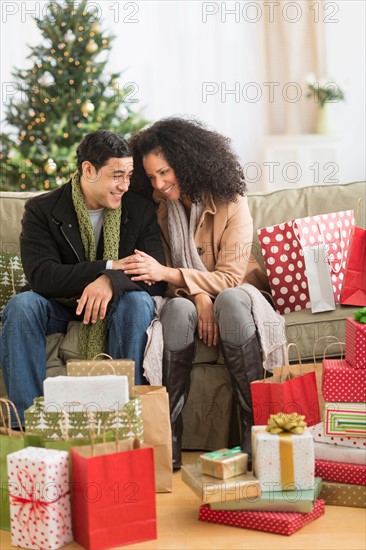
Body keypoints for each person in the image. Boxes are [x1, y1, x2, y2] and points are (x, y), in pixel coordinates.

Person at [127, 117, 281, 470]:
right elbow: (168, 286)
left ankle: (253, 430)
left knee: (226, 298)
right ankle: (171, 439)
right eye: (151, 177)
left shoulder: (231, 200)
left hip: (238, 295)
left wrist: (173, 275)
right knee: (178, 311)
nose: (160, 184)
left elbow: (228, 278)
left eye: (165, 173)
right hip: (186, 297)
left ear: (187, 163)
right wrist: (198, 297)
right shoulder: (159, 209)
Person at [0, 130, 167, 426]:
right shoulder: (41, 210)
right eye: (116, 176)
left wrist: (110, 280)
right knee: (22, 306)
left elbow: (156, 277)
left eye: (129, 175)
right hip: (60, 308)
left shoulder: (140, 210)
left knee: (139, 302)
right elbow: (43, 276)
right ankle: (26, 427)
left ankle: (127, 419)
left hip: (116, 306)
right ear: (88, 170)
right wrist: (109, 266)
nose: (125, 185)